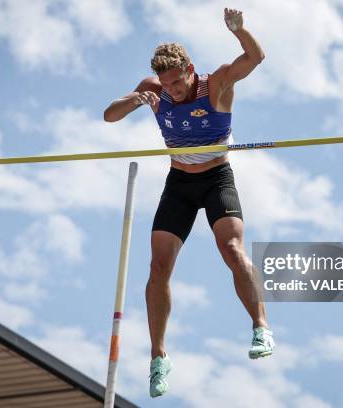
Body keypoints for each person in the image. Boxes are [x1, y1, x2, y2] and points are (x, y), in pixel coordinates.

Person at [103, 8, 274, 398]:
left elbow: (255, 59)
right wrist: (135, 100)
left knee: (231, 249)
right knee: (158, 266)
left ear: (190, 70)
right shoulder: (155, 88)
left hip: (216, 178)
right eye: (167, 85)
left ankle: (261, 327)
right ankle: (159, 357)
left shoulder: (216, 84)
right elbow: (109, 116)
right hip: (179, 182)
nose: (173, 91)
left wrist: (240, 31)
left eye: (178, 83)